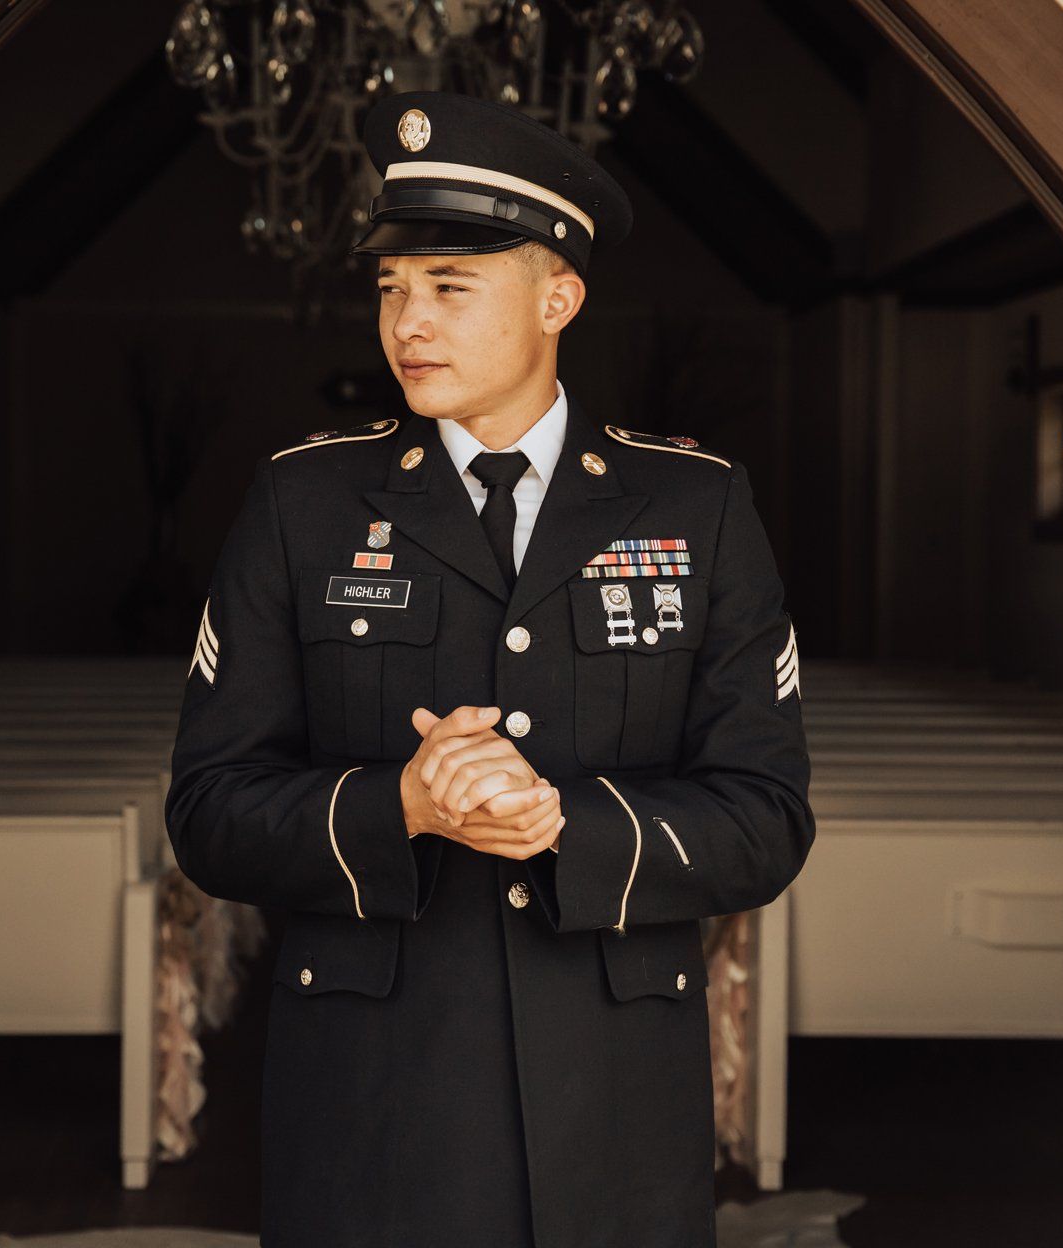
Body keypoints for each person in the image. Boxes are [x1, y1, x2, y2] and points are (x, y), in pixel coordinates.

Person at [164, 89, 815, 1248]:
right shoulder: (303, 504)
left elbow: (765, 818)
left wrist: (568, 828)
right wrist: (399, 805)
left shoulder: (697, 506)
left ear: (558, 297)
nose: (408, 321)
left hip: (611, 1098)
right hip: (372, 1093)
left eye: (450, 287)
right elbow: (211, 813)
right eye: (390, 288)